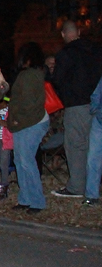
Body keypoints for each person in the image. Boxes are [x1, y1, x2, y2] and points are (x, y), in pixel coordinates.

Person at [50, 20, 102, 199]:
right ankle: (93, 185)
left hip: (77, 105)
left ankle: (77, 186)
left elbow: (58, 80)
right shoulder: (96, 50)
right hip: (97, 103)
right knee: (94, 147)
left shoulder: (66, 54)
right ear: (79, 32)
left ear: (64, 35)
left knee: (75, 145)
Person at [9, 43, 49, 214]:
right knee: (20, 161)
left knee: (26, 161)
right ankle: (25, 198)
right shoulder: (35, 74)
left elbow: (29, 103)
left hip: (31, 122)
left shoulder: (28, 75)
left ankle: (37, 201)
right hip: (29, 121)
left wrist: (17, 119)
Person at [83, 74, 102, 206]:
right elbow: (96, 94)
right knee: (93, 158)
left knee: (93, 158)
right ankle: (92, 195)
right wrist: (95, 110)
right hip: (99, 121)